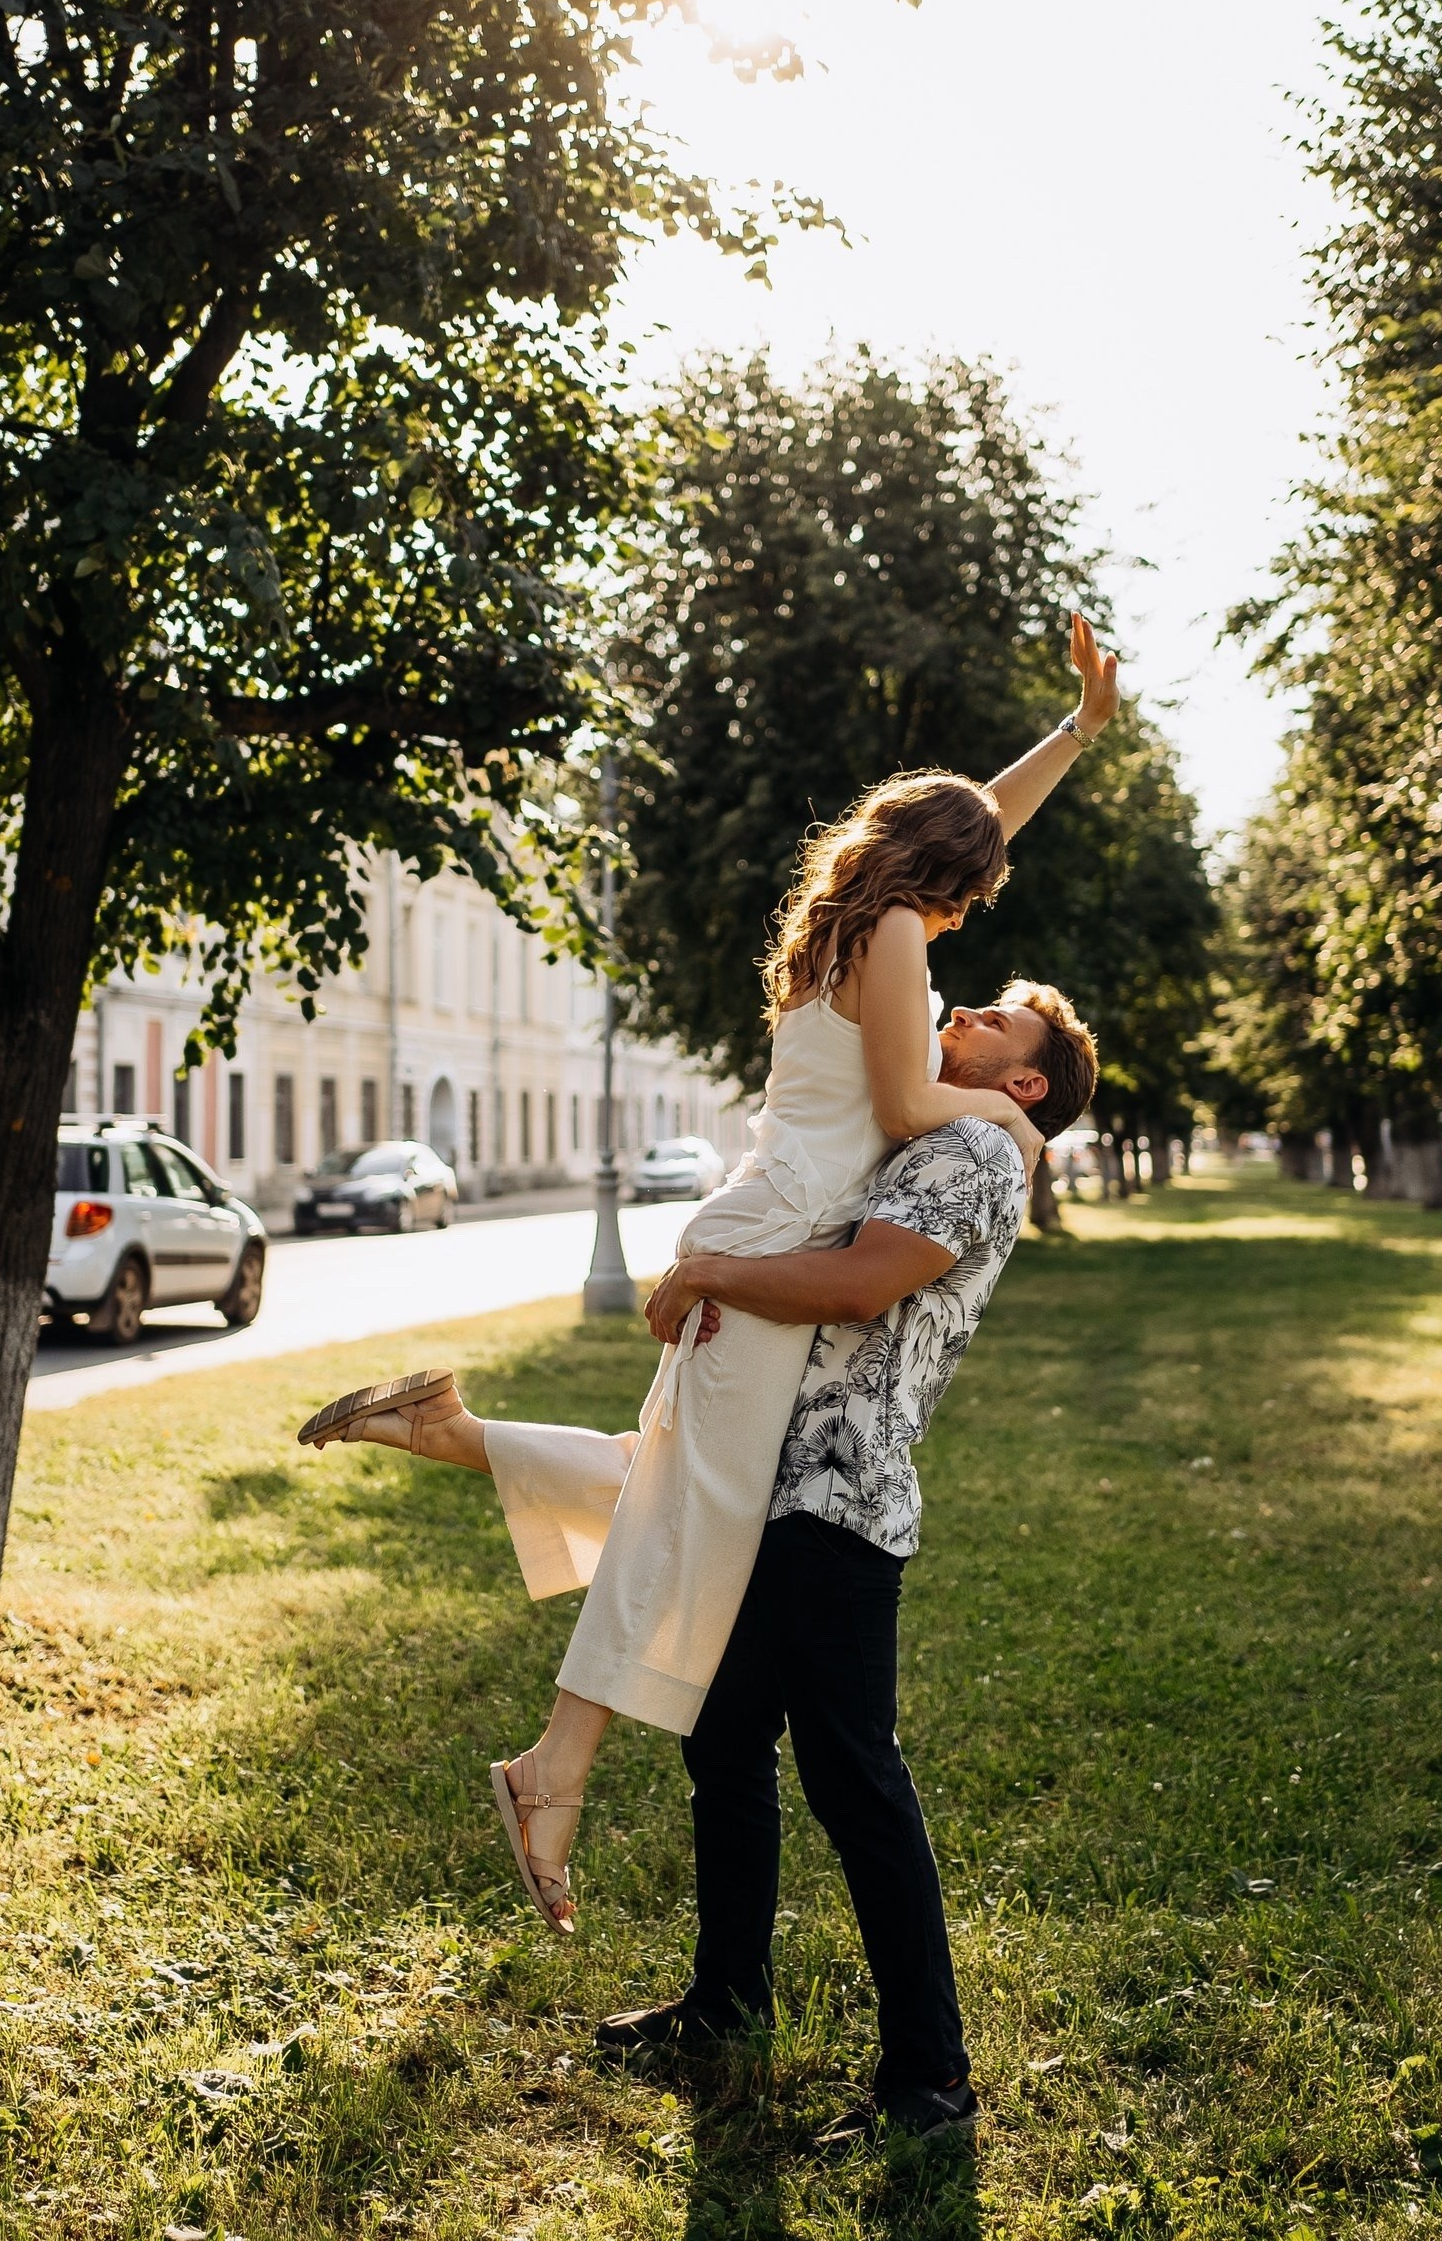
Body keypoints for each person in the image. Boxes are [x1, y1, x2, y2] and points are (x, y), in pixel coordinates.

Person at [299, 614, 1120, 1933]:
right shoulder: (899, 938)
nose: (973, 911)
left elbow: (980, 818)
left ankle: (454, 1442)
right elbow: (907, 1107)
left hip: (762, 1217)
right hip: (778, 1235)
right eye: (972, 889)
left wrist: (1077, 732)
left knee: (673, 1484)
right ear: (940, 875)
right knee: (698, 1515)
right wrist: (1011, 1122)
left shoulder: (856, 919)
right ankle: (550, 1772)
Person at [594, 982, 1097, 2145]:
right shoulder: (938, 1129)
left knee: (856, 1783)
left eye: (994, 1022)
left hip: (838, 1502)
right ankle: (725, 2001)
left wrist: (707, 1272)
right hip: (773, 1489)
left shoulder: (975, 1150)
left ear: (1025, 1083)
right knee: (723, 1743)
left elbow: (861, 1284)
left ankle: (931, 2083)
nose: (962, 1013)